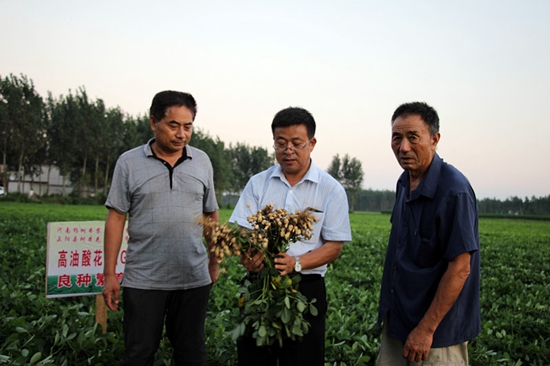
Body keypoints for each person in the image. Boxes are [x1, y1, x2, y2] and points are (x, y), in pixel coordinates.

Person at [102, 90, 219, 366]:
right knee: (138, 355)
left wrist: (214, 260)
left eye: (188, 126)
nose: (182, 134)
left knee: (191, 354)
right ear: (154, 122)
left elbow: (210, 214)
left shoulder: (201, 161)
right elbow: (116, 218)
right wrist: (109, 274)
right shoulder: (129, 163)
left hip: (192, 277)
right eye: (173, 125)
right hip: (144, 280)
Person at [229, 107, 352, 366]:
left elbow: (334, 247)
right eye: (281, 143)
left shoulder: (331, 190)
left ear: (312, 144)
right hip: (259, 284)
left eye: (297, 143)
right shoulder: (258, 183)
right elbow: (243, 229)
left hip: (305, 288)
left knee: (302, 359)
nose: (288, 150)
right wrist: (248, 255)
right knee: (253, 357)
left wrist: (296, 263)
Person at [377, 102, 481, 365]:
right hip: (399, 322)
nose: (403, 147)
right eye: (396, 138)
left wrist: (425, 330)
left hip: (436, 335)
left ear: (434, 139)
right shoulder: (404, 182)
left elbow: (460, 268)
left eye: (413, 137)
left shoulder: (453, 190)